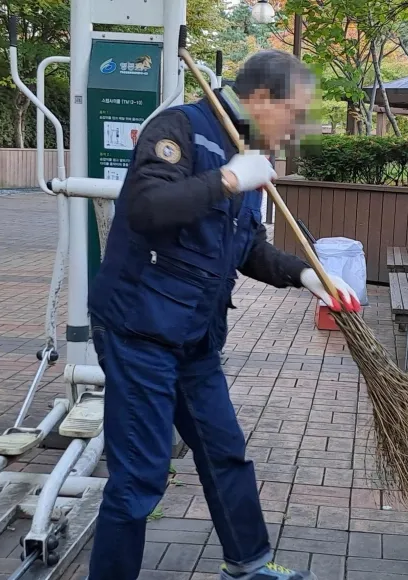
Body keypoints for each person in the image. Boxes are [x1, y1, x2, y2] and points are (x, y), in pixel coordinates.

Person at [86, 50, 361, 580]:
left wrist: (307, 276)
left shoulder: (248, 152)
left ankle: (248, 564)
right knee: (140, 476)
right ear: (261, 98)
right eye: (294, 112)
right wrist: (228, 180)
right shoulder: (180, 130)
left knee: (224, 451)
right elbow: (144, 208)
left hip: (194, 337)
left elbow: (247, 245)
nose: (297, 127)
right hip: (138, 329)